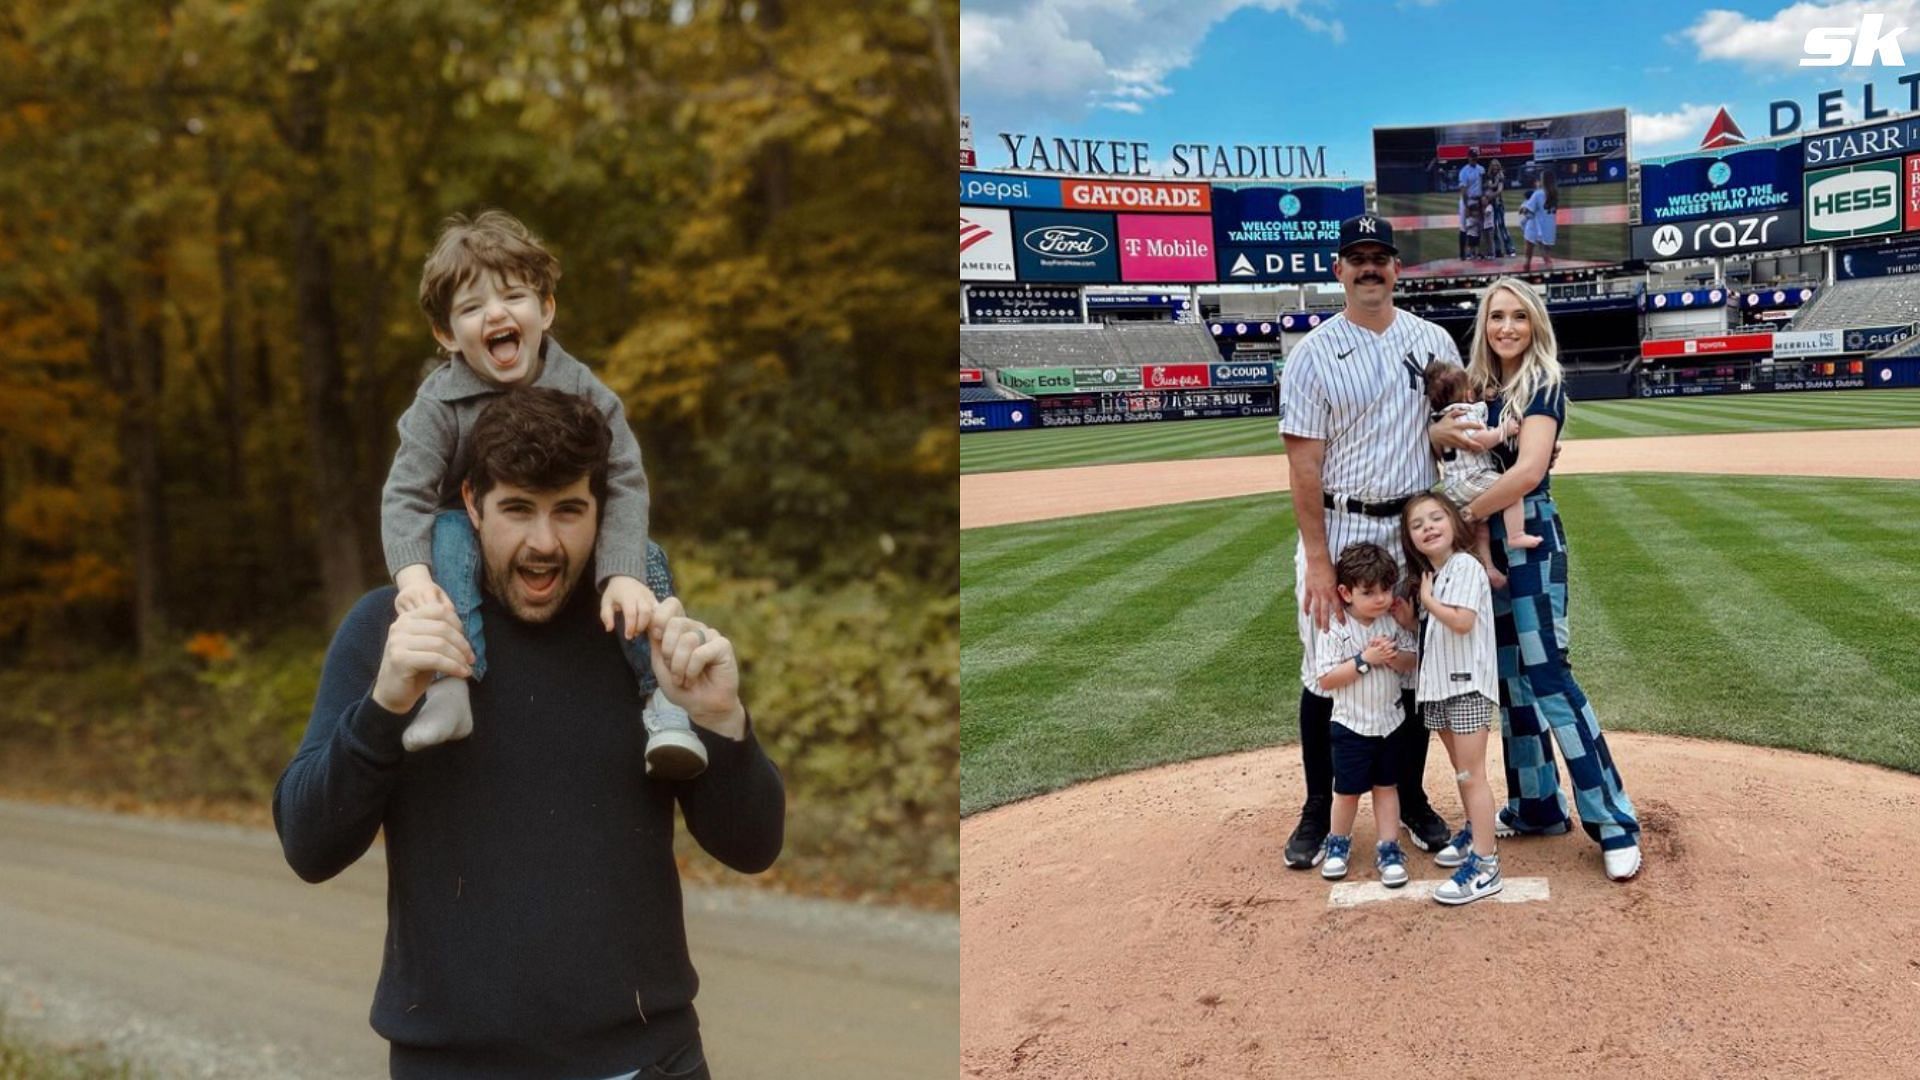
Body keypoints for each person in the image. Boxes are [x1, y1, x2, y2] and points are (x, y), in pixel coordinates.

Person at [275, 387, 785, 1076]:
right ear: (471, 503)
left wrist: (723, 721)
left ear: (603, 512)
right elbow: (309, 845)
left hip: (644, 1060)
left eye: (568, 511)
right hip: (450, 1064)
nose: (544, 543)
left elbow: (753, 848)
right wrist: (384, 705)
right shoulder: (393, 631)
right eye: (518, 510)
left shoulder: (639, 636)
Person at [381, 210, 708, 781]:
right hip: (474, 532)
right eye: (472, 308)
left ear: (546, 309)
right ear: (445, 334)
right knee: (446, 534)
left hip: (570, 529)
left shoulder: (583, 387)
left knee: (645, 559)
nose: (497, 314)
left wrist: (622, 571)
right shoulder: (437, 405)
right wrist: (413, 579)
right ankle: (451, 684)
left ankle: (664, 700)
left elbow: (625, 478)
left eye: (512, 297)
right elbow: (406, 494)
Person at [1278, 212, 1462, 870]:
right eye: (1355, 256)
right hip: (1341, 525)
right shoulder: (1313, 354)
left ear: (1396, 267)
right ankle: (1314, 807)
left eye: (1379, 255)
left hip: (1411, 529)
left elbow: (1452, 436)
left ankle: (1409, 798)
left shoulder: (1434, 339)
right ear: (1338, 270)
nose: (1369, 267)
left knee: (1408, 662)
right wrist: (1321, 562)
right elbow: (1302, 466)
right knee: (1324, 668)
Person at [1460, 278, 1642, 882]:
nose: (1506, 327)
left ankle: (1613, 821)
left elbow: (1531, 470)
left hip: (1530, 538)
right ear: (1484, 327)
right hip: (1491, 543)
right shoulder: (1482, 391)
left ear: (1535, 324)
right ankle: (1537, 805)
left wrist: (1467, 513)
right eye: (1495, 317)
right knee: (1510, 682)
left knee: (1548, 676)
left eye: (1517, 316)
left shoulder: (1542, 383)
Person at [1400, 494, 1504, 905]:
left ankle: (1485, 863)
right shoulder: (1437, 574)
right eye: (1417, 524)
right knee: (1461, 771)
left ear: (1453, 524)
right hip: (1441, 687)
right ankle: (1473, 832)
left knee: (1471, 774)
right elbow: (1438, 628)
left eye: (1436, 517)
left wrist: (1426, 603)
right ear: (1411, 539)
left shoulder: (1463, 565)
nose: (1428, 527)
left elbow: (1461, 622)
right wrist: (1413, 617)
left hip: (1465, 686)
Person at [1309, 543, 1419, 887]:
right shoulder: (1336, 627)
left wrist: (1392, 656)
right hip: (1351, 725)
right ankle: (1338, 843)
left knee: (1387, 787)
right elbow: (1326, 679)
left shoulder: (1392, 622)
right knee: (1347, 791)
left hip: (1390, 723)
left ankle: (1389, 847)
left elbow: (1411, 660)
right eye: (1368, 592)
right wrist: (1364, 660)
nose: (1380, 599)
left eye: (1386, 589)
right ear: (1345, 593)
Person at [1423, 361, 1539, 587]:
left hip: (1455, 483)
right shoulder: (1463, 413)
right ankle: (1516, 535)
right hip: (1471, 478)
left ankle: (1488, 568)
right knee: (1512, 490)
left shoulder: (1440, 416)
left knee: (1480, 529)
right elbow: (1478, 441)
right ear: (1466, 393)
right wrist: (1503, 430)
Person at [1521, 171, 1558, 272]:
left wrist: (1523, 208)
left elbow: (1527, 210)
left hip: (1536, 227)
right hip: (1549, 228)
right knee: (1547, 258)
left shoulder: (1538, 194)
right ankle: (1550, 277)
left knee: (1528, 257)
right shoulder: (1554, 193)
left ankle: (1525, 275)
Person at [1486, 159, 1516, 258]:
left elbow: (1499, 190)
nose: (1495, 167)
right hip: (1491, 205)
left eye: (1496, 165)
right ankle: (1498, 250)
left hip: (1498, 204)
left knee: (1502, 226)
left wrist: (1490, 195)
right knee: (1494, 227)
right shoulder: (1491, 176)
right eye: (1493, 165)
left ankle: (1510, 248)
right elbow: (1491, 185)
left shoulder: (1500, 175)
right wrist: (1494, 186)